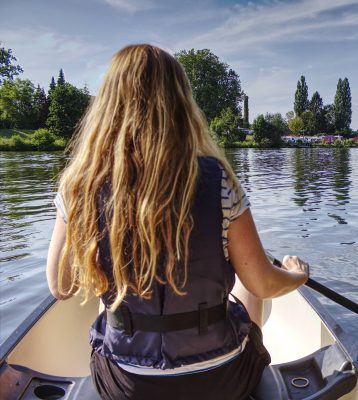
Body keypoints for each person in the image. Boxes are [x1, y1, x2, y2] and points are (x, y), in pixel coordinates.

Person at [45, 44, 309, 400]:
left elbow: (61, 287)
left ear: (106, 105)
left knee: (110, 291)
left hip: (126, 388)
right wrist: (297, 275)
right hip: (221, 383)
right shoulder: (219, 181)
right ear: (182, 105)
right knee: (244, 285)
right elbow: (262, 284)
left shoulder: (80, 185)